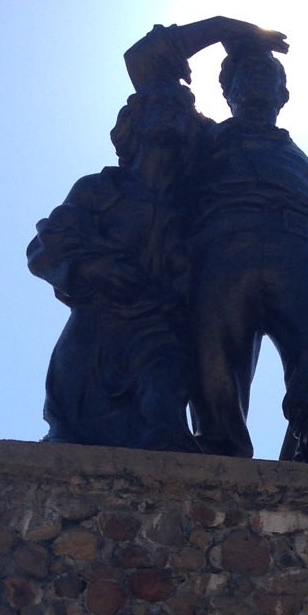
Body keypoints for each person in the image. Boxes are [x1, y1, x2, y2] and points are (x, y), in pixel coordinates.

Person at [181, 42, 308, 465]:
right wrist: (225, 30)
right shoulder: (202, 138)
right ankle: (215, 479)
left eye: (267, 74)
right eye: (243, 74)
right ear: (226, 93)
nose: (256, 80)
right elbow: (148, 70)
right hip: (223, 253)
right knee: (214, 378)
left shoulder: (307, 169)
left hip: (302, 260)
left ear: (284, 95)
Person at [29, 84, 199, 453]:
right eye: (160, 103)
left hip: (161, 337)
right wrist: (93, 269)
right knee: (71, 436)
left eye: (181, 109)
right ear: (135, 122)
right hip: (96, 333)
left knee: (164, 427)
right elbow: (46, 247)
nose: (171, 112)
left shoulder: (194, 208)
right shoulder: (100, 189)